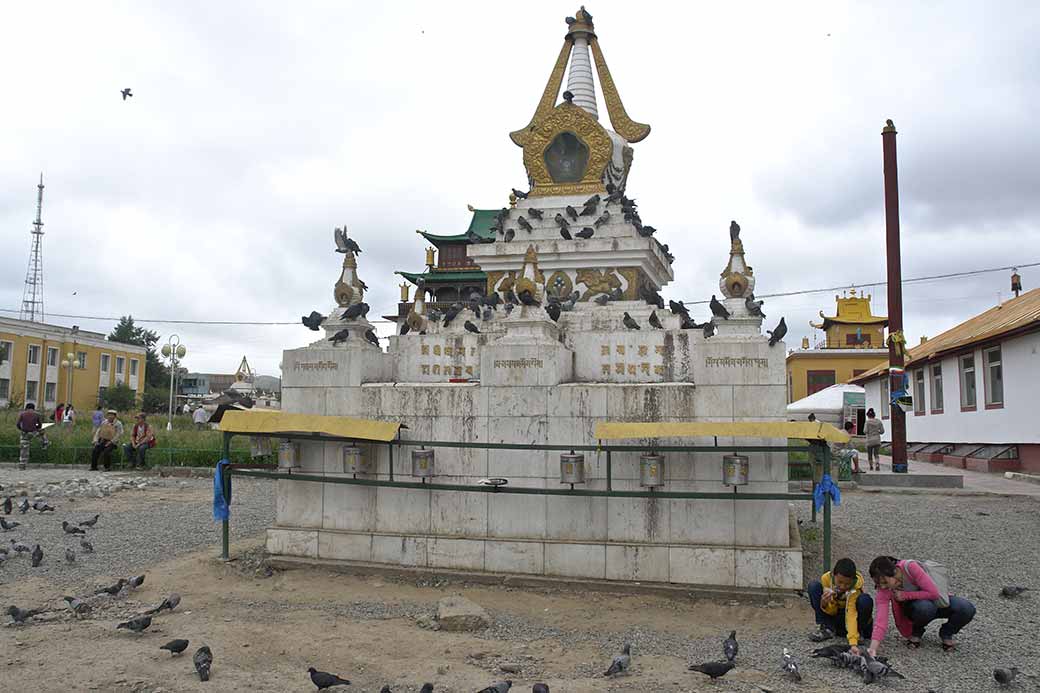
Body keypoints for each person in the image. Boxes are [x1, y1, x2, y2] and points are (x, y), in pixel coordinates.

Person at [867, 555, 976, 655]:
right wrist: (873, 648)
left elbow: (933, 593)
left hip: (938, 601)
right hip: (918, 609)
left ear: (894, 571)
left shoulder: (910, 567)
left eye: (884, 582)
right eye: (879, 584)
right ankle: (916, 632)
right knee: (925, 607)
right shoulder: (884, 589)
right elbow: (881, 620)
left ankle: (947, 633)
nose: (883, 586)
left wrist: (905, 595)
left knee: (967, 608)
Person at [807, 558, 874, 654]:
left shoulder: (855, 588)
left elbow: (851, 614)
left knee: (865, 600)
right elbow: (832, 611)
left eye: (847, 584)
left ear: (853, 580)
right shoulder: (826, 579)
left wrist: (853, 643)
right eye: (840, 582)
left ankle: (858, 632)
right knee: (814, 586)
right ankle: (827, 628)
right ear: (833, 575)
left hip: (852, 619)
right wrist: (824, 603)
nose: (843, 586)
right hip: (835, 615)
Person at [16, 403, 50, 469]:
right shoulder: (36, 414)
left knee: (24, 448)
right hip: (34, 432)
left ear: (26, 408)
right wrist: (37, 428)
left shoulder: (22, 414)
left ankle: (22, 463)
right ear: (33, 408)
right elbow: (39, 425)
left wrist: (21, 429)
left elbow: (18, 424)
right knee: (42, 433)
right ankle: (45, 443)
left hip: (25, 433)